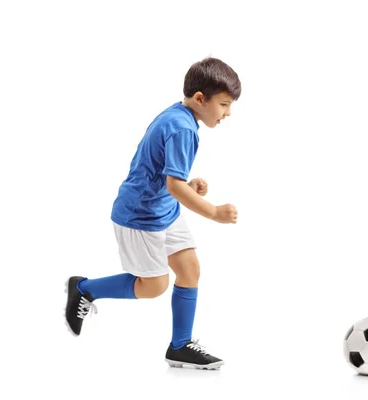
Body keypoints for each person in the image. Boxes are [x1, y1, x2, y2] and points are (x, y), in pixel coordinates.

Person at [64, 57, 241, 370]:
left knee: (190, 270)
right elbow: (173, 186)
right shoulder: (183, 129)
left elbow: (166, 176)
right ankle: (84, 288)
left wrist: (188, 184)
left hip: (164, 209)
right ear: (201, 99)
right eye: (224, 104)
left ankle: (180, 346)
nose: (227, 114)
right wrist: (214, 212)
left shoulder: (179, 116)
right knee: (154, 286)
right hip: (140, 215)